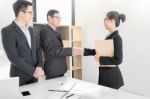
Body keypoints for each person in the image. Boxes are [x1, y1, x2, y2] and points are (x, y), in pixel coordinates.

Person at [1, 0, 44, 86]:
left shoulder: (32, 30)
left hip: (34, 77)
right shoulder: (7, 31)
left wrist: (39, 66)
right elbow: (13, 58)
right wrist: (33, 71)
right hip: (19, 77)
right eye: (30, 12)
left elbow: (38, 49)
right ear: (21, 13)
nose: (33, 15)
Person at [84, 11, 126, 89]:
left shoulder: (117, 38)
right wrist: (84, 51)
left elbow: (118, 60)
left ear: (112, 21)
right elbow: (100, 51)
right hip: (107, 76)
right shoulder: (110, 37)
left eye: (105, 19)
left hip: (111, 78)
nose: (104, 21)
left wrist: (100, 58)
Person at [40, 9, 81, 79]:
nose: (59, 20)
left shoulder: (56, 31)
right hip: (53, 70)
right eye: (57, 17)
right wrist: (70, 50)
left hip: (60, 69)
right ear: (49, 18)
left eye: (60, 18)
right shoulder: (45, 31)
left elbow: (59, 48)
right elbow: (51, 50)